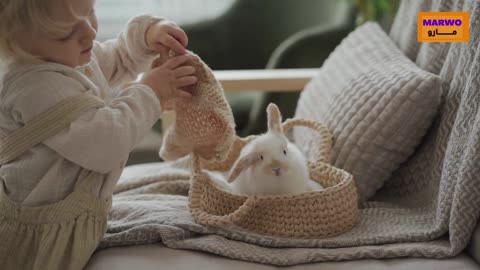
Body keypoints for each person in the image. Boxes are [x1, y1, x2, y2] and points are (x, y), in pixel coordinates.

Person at [0, 0, 197, 269]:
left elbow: (117, 58)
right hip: (38, 242)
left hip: (73, 220)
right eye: (66, 31)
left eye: (89, 12)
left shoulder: (61, 56)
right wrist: (151, 92)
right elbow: (106, 143)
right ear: (15, 41)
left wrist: (146, 36)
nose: (90, 32)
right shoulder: (34, 86)